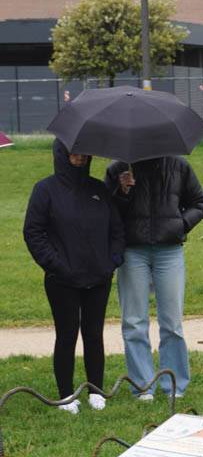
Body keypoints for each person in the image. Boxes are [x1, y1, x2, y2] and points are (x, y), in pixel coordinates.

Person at [24, 140, 124, 414]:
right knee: (66, 334)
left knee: (94, 334)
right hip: (62, 279)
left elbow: (117, 229)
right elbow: (33, 232)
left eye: (84, 153)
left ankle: (96, 391)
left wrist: (112, 261)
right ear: (62, 154)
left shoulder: (99, 189)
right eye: (74, 153)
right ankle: (66, 396)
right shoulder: (45, 190)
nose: (80, 157)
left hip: (98, 277)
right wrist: (56, 265)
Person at [104, 154, 203, 400]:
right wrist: (122, 191)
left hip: (169, 251)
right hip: (132, 251)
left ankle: (174, 384)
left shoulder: (179, 166)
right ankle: (143, 386)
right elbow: (106, 211)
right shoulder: (118, 168)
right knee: (134, 321)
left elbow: (198, 203)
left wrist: (180, 225)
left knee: (172, 322)